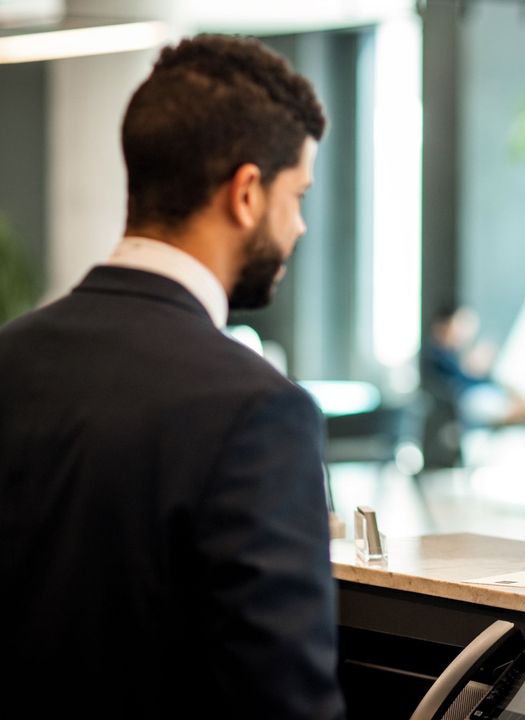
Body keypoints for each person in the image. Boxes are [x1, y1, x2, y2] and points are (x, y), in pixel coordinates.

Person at [0, 35, 344, 716]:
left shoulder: (10, 355)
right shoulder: (257, 411)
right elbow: (280, 699)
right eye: (297, 194)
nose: (300, 225)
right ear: (246, 192)